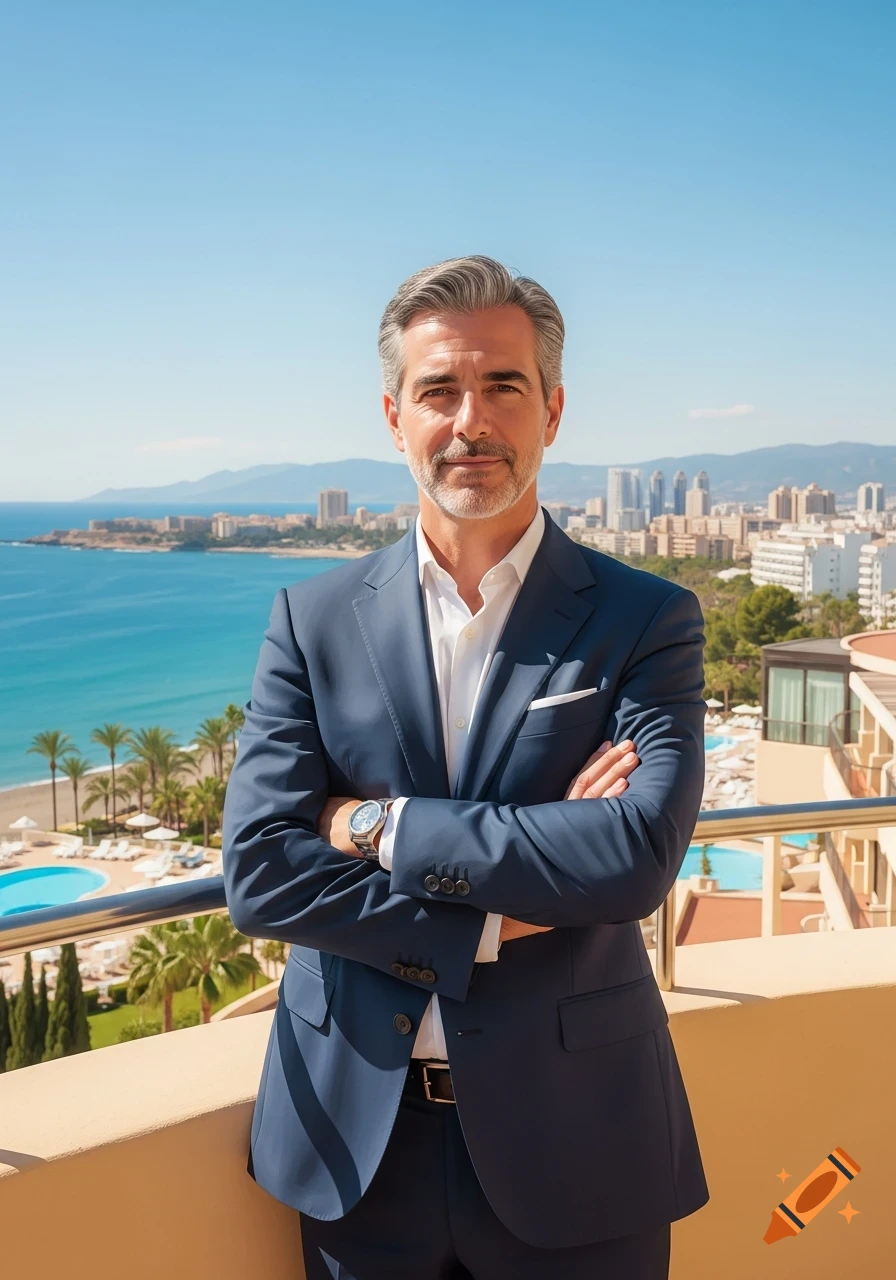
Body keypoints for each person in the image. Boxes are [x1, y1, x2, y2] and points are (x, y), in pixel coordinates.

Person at [222, 255, 710, 1279]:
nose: (469, 420)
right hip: (354, 1139)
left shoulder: (644, 618)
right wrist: (501, 907)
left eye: (502, 386)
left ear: (553, 409)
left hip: (578, 1140)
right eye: (438, 390)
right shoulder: (309, 622)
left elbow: (631, 856)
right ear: (394, 415)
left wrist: (368, 825)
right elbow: (261, 870)